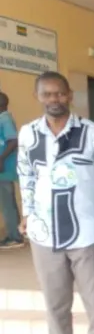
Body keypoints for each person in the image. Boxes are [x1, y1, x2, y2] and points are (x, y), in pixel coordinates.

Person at [16, 72, 94, 334]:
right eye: (47, 94)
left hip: (88, 232)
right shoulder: (28, 134)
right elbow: (26, 176)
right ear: (38, 96)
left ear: (70, 95)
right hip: (44, 234)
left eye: (59, 94)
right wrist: (27, 214)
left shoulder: (93, 134)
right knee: (56, 306)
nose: (54, 99)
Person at [0, 92, 24, 249]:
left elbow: (13, 141)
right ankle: (14, 234)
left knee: (7, 202)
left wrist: (1, 159)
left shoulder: (5, 119)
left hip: (4, 168)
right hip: (4, 167)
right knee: (7, 202)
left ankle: (15, 237)